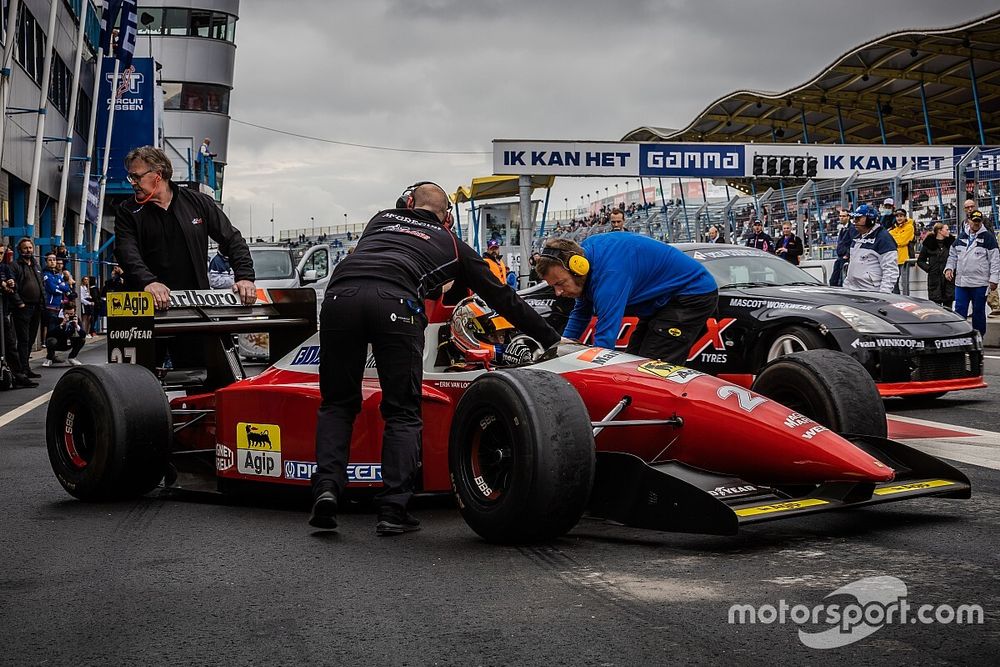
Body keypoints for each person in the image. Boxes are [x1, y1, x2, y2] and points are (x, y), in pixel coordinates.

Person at [310, 182, 560, 535]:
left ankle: (326, 490)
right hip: (395, 305)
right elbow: (503, 298)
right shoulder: (453, 245)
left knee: (337, 403)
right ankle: (393, 510)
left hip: (339, 299)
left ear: (407, 203)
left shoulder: (380, 220)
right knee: (402, 410)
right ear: (448, 219)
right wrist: (551, 338)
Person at [536, 234, 718, 365]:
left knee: (652, 368)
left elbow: (604, 343)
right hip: (663, 300)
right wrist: (559, 349)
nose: (558, 292)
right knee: (633, 362)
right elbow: (580, 314)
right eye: (554, 287)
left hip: (691, 295)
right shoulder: (587, 258)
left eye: (560, 283)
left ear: (579, 268)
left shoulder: (610, 276)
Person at [114, 146, 256, 310]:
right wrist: (148, 281)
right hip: (147, 306)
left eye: (136, 177)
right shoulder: (128, 211)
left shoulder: (197, 202)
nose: (132, 183)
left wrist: (245, 277)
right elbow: (126, 251)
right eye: (130, 177)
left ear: (158, 175)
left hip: (195, 304)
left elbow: (232, 239)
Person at [945, 210, 999, 336]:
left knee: (978, 311)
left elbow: (995, 260)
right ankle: (959, 335)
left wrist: (994, 279)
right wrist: (949, 268)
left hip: (980, 283)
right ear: (968, 221)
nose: (976, 224)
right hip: (961, 283)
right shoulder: (962, 236)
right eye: (974, 221)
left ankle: (979, 337)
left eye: (978, 221)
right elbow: (952, 255)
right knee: (959, 310)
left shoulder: (988, 238)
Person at [842, 204, 899, 293]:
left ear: (870, 220)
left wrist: (884, 294)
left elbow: (890, 270)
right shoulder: (857, 238)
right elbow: (852, 266)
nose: (854, 221)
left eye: (858, 218)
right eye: (854, 218)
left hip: (872, 292)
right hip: (853, 290)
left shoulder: (883, 238)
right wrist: (846, 286)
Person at [9, 238, 45, 379]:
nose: (28, 250)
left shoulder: (36, 265)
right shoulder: (15, 266)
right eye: (25, 248)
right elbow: (12, 288)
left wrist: (43, 302)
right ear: (20, 250)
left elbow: (41, 285)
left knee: (30, 339)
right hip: (23, 308)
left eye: (30, 248)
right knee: (23, 340)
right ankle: (21, 369)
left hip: (36, 307)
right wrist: (19, 303)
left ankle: (26, 367)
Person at [0, 256, 36, 388]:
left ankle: (18, 377)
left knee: (10, 345)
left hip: (3, 313)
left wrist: (11, 284)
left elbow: (13, 286)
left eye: (1, 253)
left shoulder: (4, 267)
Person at [917, 223, 954, 308]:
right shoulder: (929, 244)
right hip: (934, 278)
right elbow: (920, 261)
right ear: (940, 231)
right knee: (935, 306)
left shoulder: (951, 244)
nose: (949, 231)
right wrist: (930, 269)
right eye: (947, 229)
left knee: (948, 306)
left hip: (948, 278)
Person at [43, 301, 85, 367]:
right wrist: (62, 325)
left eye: (71, 314)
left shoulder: (75, 318)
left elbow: (83, 334)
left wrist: (77, 326)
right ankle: (49, 358)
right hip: (58, 342)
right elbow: (50, 333)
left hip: (69, 342)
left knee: (82, 339)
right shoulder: (55, 317)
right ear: (63, 312)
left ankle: (72, 357)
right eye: (67, 313)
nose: (69, 316)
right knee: (51, 340)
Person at [889, 208, 915, 294]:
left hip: (905, 259)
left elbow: (903, 241)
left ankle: (906, 299)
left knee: (904, 283)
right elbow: (889, 240)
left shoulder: (909, 227)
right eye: (897, 216)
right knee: (893, 282)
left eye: (901, 216)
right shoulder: (893, 229)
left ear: (905, 217)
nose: (899, 218)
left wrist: (894, 238)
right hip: (894, 258)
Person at [829, 209, 855, 287]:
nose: (841, 218)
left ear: (848, 217)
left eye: (843, 216)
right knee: (833, 280)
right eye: (840, 216)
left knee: (841, 279)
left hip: (845, 258)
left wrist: (847, 254)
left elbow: (854, 242)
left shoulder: (852, 228)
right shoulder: (842, 229)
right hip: (840, 257)